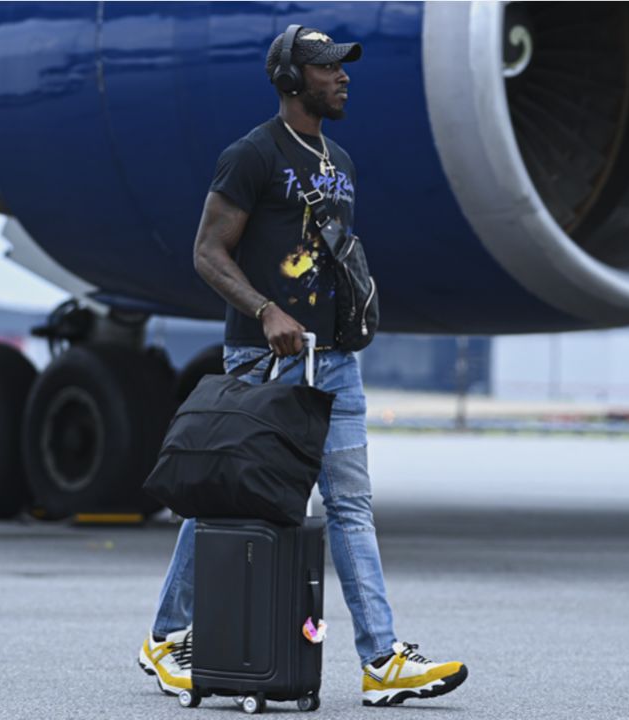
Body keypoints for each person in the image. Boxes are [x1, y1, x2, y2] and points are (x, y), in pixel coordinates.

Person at [137, 27, 469, 706]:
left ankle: (381, 659)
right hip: (267, 359)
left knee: (351, 506)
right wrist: (265, 312)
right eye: (327, 68)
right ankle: (167, 637)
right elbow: (208, 251)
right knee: (231, 499)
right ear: (292, 78)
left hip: (335, 362)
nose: (342, 78)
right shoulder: (252, 155)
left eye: (343, 67)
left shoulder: (340, 161)